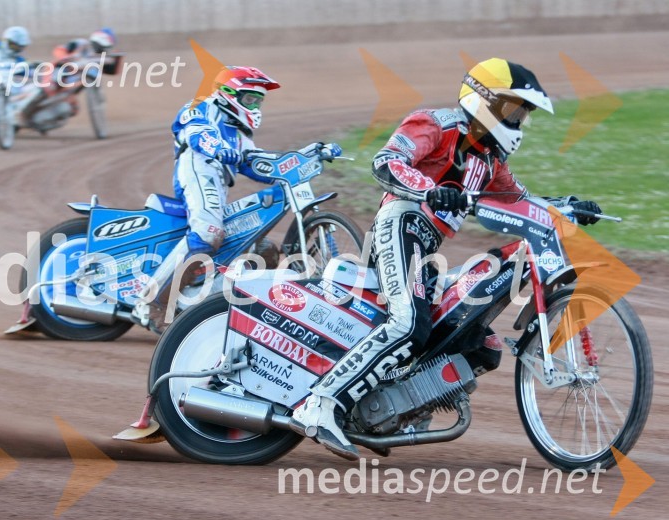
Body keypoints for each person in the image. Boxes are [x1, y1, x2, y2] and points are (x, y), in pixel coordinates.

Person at [289, 58, 603, 460]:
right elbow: (385, 163)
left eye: (523, 114)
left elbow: (520, 202)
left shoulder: (491, 162)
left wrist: (568, 207)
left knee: (481, 344)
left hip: (424, 249)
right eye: (514, 109)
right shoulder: (435, 124)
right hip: (400, 224)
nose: (520, 120)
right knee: (407, 324)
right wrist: (430, 190)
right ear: (485, 100)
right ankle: (319, 405)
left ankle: (400, 408)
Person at [132, 66, 297, 333]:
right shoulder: (201, 107)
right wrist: (218, 147)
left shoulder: (239, 133)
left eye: (258, 100)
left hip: (216, 181)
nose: (254, 104)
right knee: (208, 233)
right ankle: (150, 302)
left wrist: (303, 161)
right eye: (249, 98)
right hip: (198, 168)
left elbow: (258, 166)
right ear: (229, 93)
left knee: (260, 248)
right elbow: (198, 134)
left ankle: (207, 306)